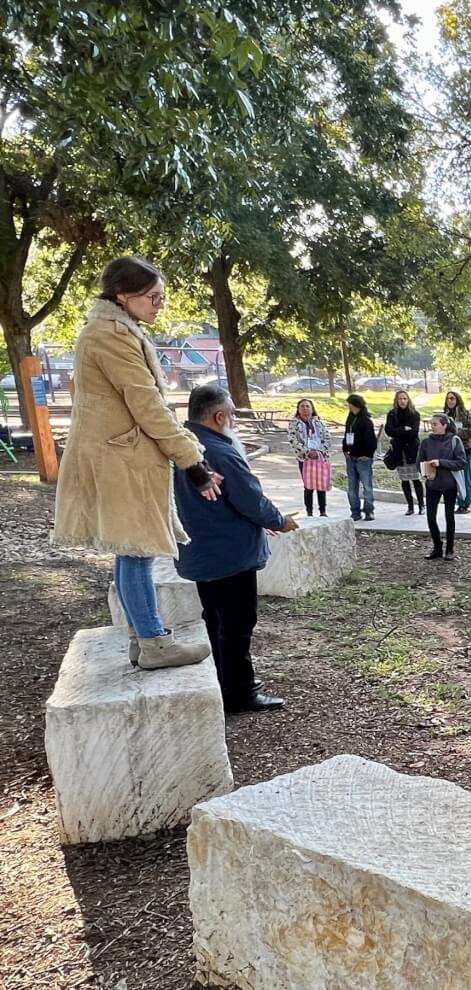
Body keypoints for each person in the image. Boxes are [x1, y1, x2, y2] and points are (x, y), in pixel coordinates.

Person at [52, 256, 217, 670]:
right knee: (137, 551)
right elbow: (146, 404)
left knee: (131, 552)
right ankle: (153, 641)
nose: (159, 304)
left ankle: (143, 638)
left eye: (161, 297)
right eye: (152, 297)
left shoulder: (115, 329)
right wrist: (192, 462)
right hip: (121, 457)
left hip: (122, 453)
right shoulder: (109, 334)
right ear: (124, 297)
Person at [174, 385, 293, 712]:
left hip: (200, 551)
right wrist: (280, 521)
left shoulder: (181, 447)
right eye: (233, 415)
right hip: (229, 554)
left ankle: (224, 680)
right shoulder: (220, 452)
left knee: (216, 618)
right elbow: (250, 500)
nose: (235, 422)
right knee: (238, 622)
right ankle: (239, 693)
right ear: (219, 416)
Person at [416, 414, 468, 560]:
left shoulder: (454, 440)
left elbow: (461, 462)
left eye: (435, 424)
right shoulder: (426, 442)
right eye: (431, 424)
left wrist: (441, 463)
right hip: (432, 485)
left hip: (449, 485)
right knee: (430, 517)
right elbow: (419, 462)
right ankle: (437, 547)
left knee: (449, 517)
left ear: (444, 425)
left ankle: (450, 549)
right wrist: (426, 473)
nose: (432, 426)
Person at [287, 399, 332, 517]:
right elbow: (293, 440)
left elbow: (327, 437)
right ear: (298, 409)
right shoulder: (294, 423)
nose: (305, 408)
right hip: (305, 459)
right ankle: (309, 512)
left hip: (319, 457)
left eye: (308, 406)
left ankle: (323, 511)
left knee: (321, 484)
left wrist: (319, 451)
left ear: (312, 409)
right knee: (308, 486)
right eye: (302, 406)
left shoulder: (318, 422)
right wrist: (307, 452)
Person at [385, 390, 424, 516]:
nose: (402, 401)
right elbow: (389, 431)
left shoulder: (414, 414)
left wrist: (398, 432)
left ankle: (421, 505)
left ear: (408, 400)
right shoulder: (392, 414)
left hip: (411, 450)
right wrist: (403, 429)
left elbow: (413, 432)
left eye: (404, 399)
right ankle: (410, 506)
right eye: (400, 399)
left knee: (415, 478)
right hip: (398, 451)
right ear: (396, 400)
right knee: (404, 479)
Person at [442, 390, 471, 514]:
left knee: (466, 478)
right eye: (448, 399)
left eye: (452, 398)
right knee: (454, 479)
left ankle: (466, 503)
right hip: (449, 452)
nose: (450, 401)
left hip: (465, 450)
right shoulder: (444, 416)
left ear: (457, 399)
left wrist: (458, 432)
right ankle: (458, 502)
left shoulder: (467, 414)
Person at [342, 394, 377, 521]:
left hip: (363, 458)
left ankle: (369, 510)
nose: (349, 407)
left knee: (367, 486)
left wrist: (367, 455)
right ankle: (355, 511)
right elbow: (346, 434)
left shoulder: (366, 421)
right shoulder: (350, 419)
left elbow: (371, 440)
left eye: (350, 404)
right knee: (352, 487)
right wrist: (345, 449)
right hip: (351, 457)